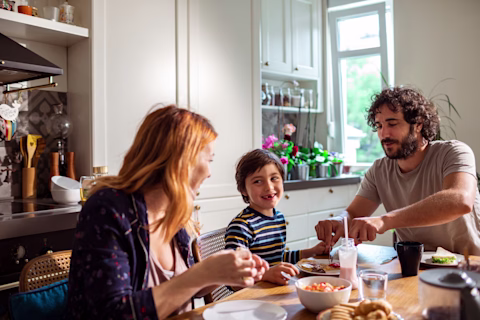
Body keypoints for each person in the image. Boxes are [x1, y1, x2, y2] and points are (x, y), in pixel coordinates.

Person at [66, 106, 269, 319]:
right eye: (208, 160)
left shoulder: (174, 213)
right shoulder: (108, 210)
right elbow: (113, 314)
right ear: (181, 160)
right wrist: (203, 273)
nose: (209, 173)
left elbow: (185, 285)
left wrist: (221, 271)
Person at [315, 87, 480, 255]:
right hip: (413, 266)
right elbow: (352, 214)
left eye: (392, 124)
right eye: (379, 126)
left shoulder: (453, 152)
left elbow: (460, 200)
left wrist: (385, 221)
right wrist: (338, 221)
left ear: (418, 124)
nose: (384, 133)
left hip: (468, 266)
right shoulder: (379, 170)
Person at [225, 149, 327, 285]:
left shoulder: (278, 218)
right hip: (252, 298)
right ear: (243, 189)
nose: (269, 186)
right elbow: (232, 276)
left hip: (274, 291)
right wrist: (266, 274)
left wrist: (310, 252)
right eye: (257, 181)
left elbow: (277, 257)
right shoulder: (241, 227)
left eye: (274, 178)